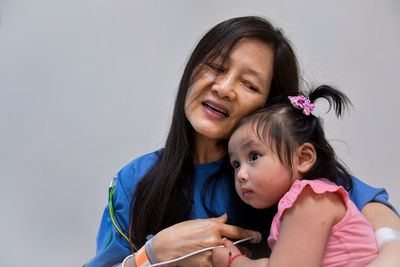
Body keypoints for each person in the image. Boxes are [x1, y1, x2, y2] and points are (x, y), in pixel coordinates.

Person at [84, 16, 400, 267]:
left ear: (269, 105)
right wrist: (152, 255)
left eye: (249, 84)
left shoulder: (285, 173)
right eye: (216, 67)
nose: (224, 88)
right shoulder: (135, 180)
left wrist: (390, 252)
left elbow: (374, 209)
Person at [212, 86, 379, 266]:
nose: (241, 175)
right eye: (236, 164)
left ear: (303, 158)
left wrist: (233, 261)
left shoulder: (312, 199)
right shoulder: (301, 202)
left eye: (254, 156)